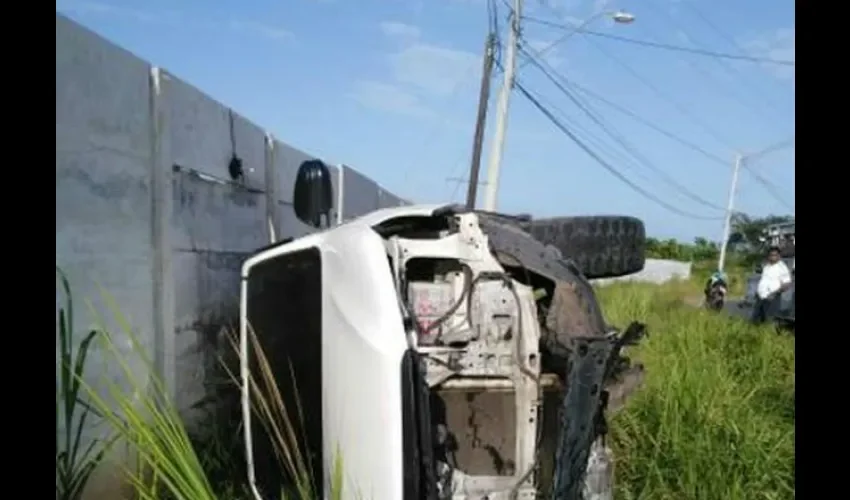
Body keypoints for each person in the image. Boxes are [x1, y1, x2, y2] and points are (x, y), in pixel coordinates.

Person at [751, 246, 793, 324]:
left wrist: (775, 293)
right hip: (761, 297)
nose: (772, 257)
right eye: (771, 255)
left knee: (769, 320)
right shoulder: (767, 266)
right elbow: (764, 280)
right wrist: (758, 292)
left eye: (774, 255)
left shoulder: (782, 267)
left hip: (772, 298)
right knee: (755, 320)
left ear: (779, 256)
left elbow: (787, 284)